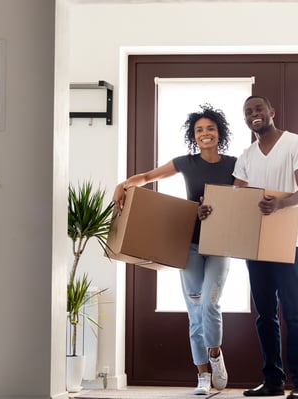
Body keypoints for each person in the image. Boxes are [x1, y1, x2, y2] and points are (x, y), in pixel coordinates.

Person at [113, 104, 236, 395]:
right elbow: (146, 178)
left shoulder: (234, 164)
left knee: (209, 303)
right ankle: (202, 376)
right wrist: (123, 184)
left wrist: (218, 207)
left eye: (210, 128)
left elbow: (243, 198)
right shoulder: (185, 163)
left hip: (220, 244)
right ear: (194, 136)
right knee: (194, 310)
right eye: (199, 130)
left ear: (220, 133)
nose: (205, 134)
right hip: (190, 244)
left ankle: (215, 354)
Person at [200, 95, 298, 399]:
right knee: (265, 315)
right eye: (248, 112)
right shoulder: (247, 156)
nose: (254, 114)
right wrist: (210, 209)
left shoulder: (294, 143)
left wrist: (279, 203)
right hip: (255, 243)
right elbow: (236, 198)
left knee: (293, 313)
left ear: (271, 112)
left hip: (289, 241)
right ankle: (273, 381)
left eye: (258, 109)